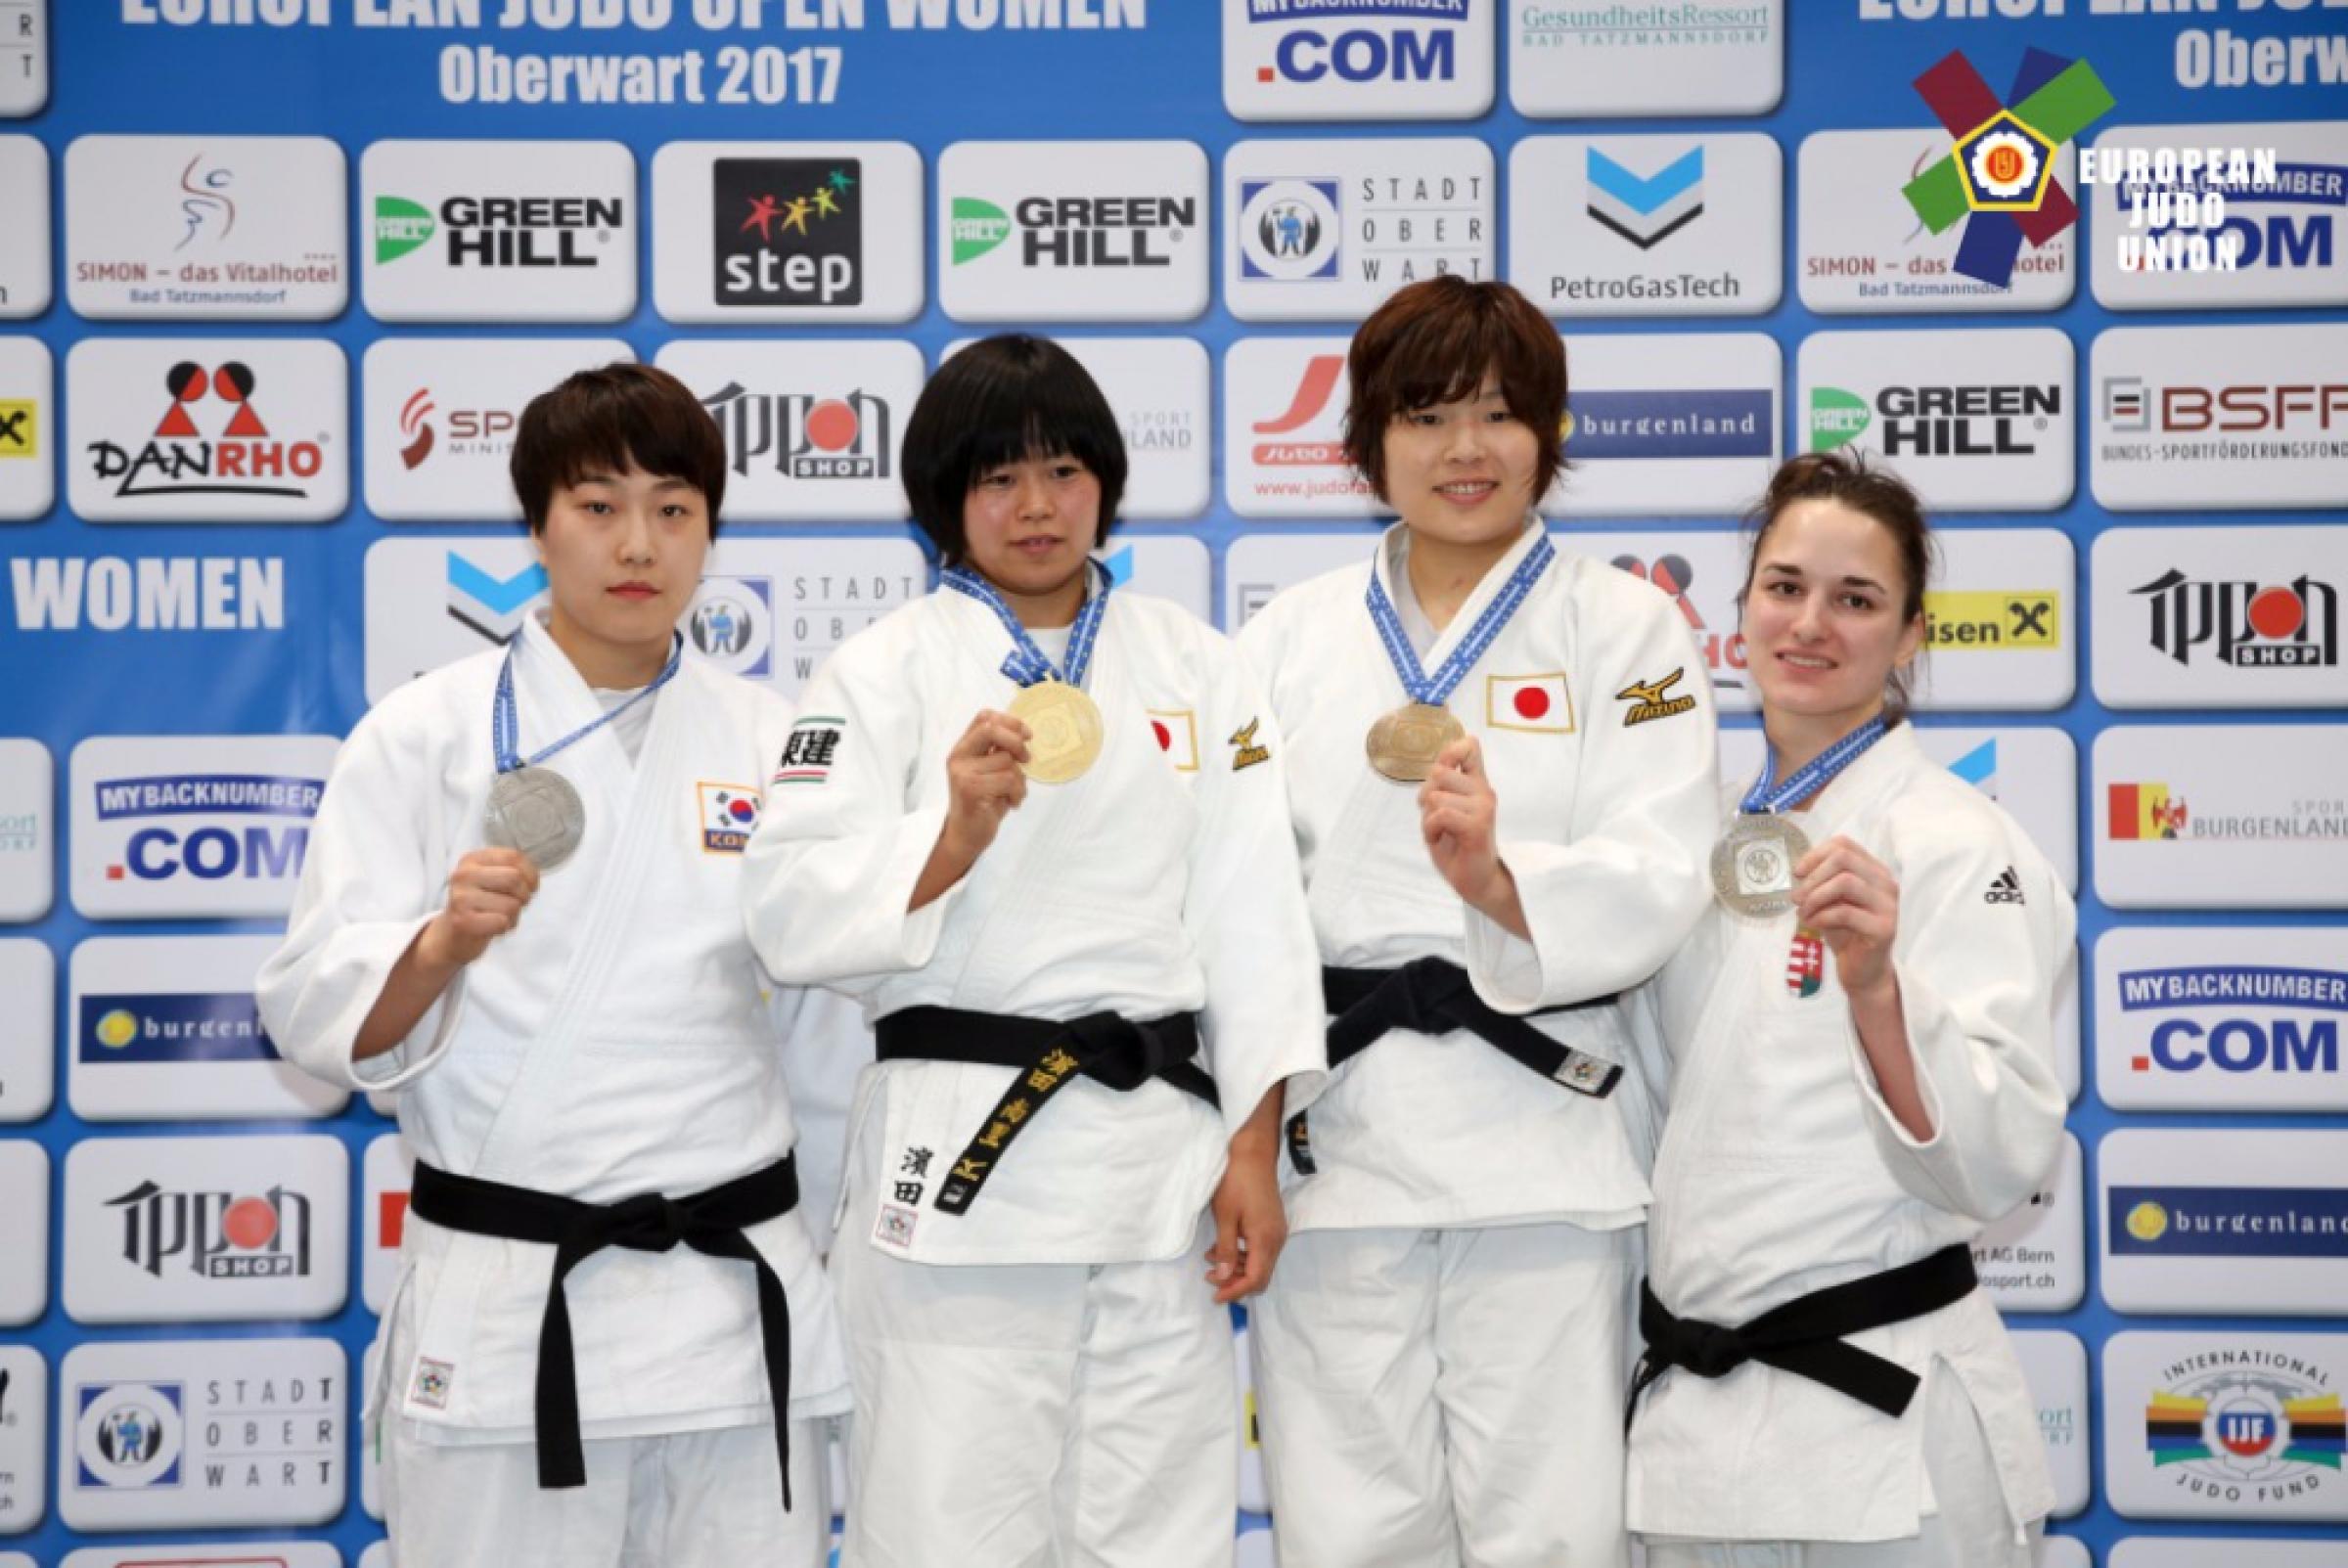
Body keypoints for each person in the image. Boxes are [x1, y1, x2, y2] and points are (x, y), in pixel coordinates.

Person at [740, 334, 1325, 1568]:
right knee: (945, 1531)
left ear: (1105, 480)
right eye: (999, 478)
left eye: (1062, 471)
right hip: (959, 1171)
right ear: (946, 501)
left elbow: (1255, 917)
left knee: (1159, 1536)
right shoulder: (878, 670)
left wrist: (1253, 1148)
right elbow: (788, 910)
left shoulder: (1197, 664)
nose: (1037, 506)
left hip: (1153, 1166)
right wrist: (948, 836)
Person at [256, 362, 850, 1568]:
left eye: (673, 508)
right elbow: (314, 1007)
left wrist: (823, 1246)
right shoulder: (424, 734)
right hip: (511, 1308)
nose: (638, 544)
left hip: (731, 1317)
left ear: (710, 530)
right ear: (536, 526)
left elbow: (828, 1042)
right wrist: (439, 944)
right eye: (597, 506)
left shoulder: (772, 739)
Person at [1235, 275, 1721, 1568]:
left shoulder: (1630, 627)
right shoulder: (1285, 639)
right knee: (1344, 1527)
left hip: (1545, 1140)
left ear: (1548, 436)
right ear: (1369, 441)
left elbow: (1666, 857)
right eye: (1428, 414)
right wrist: (1248, 1138)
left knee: (1554, 1524)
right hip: (1339, 1141)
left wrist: (1506, 883)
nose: (1466, 448)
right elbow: (1235, 905)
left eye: (1501, 414)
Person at [1626, 451, 2071, 1568]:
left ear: (1913, 633)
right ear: (1739, 614)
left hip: (1887, 1422)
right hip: (1697, 1431)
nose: (1811, 623)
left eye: (1857, 599)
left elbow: (1998, 1155)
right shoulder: (1689, 838)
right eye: (1784, 587)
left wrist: (1877, 983)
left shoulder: (1957, 840)